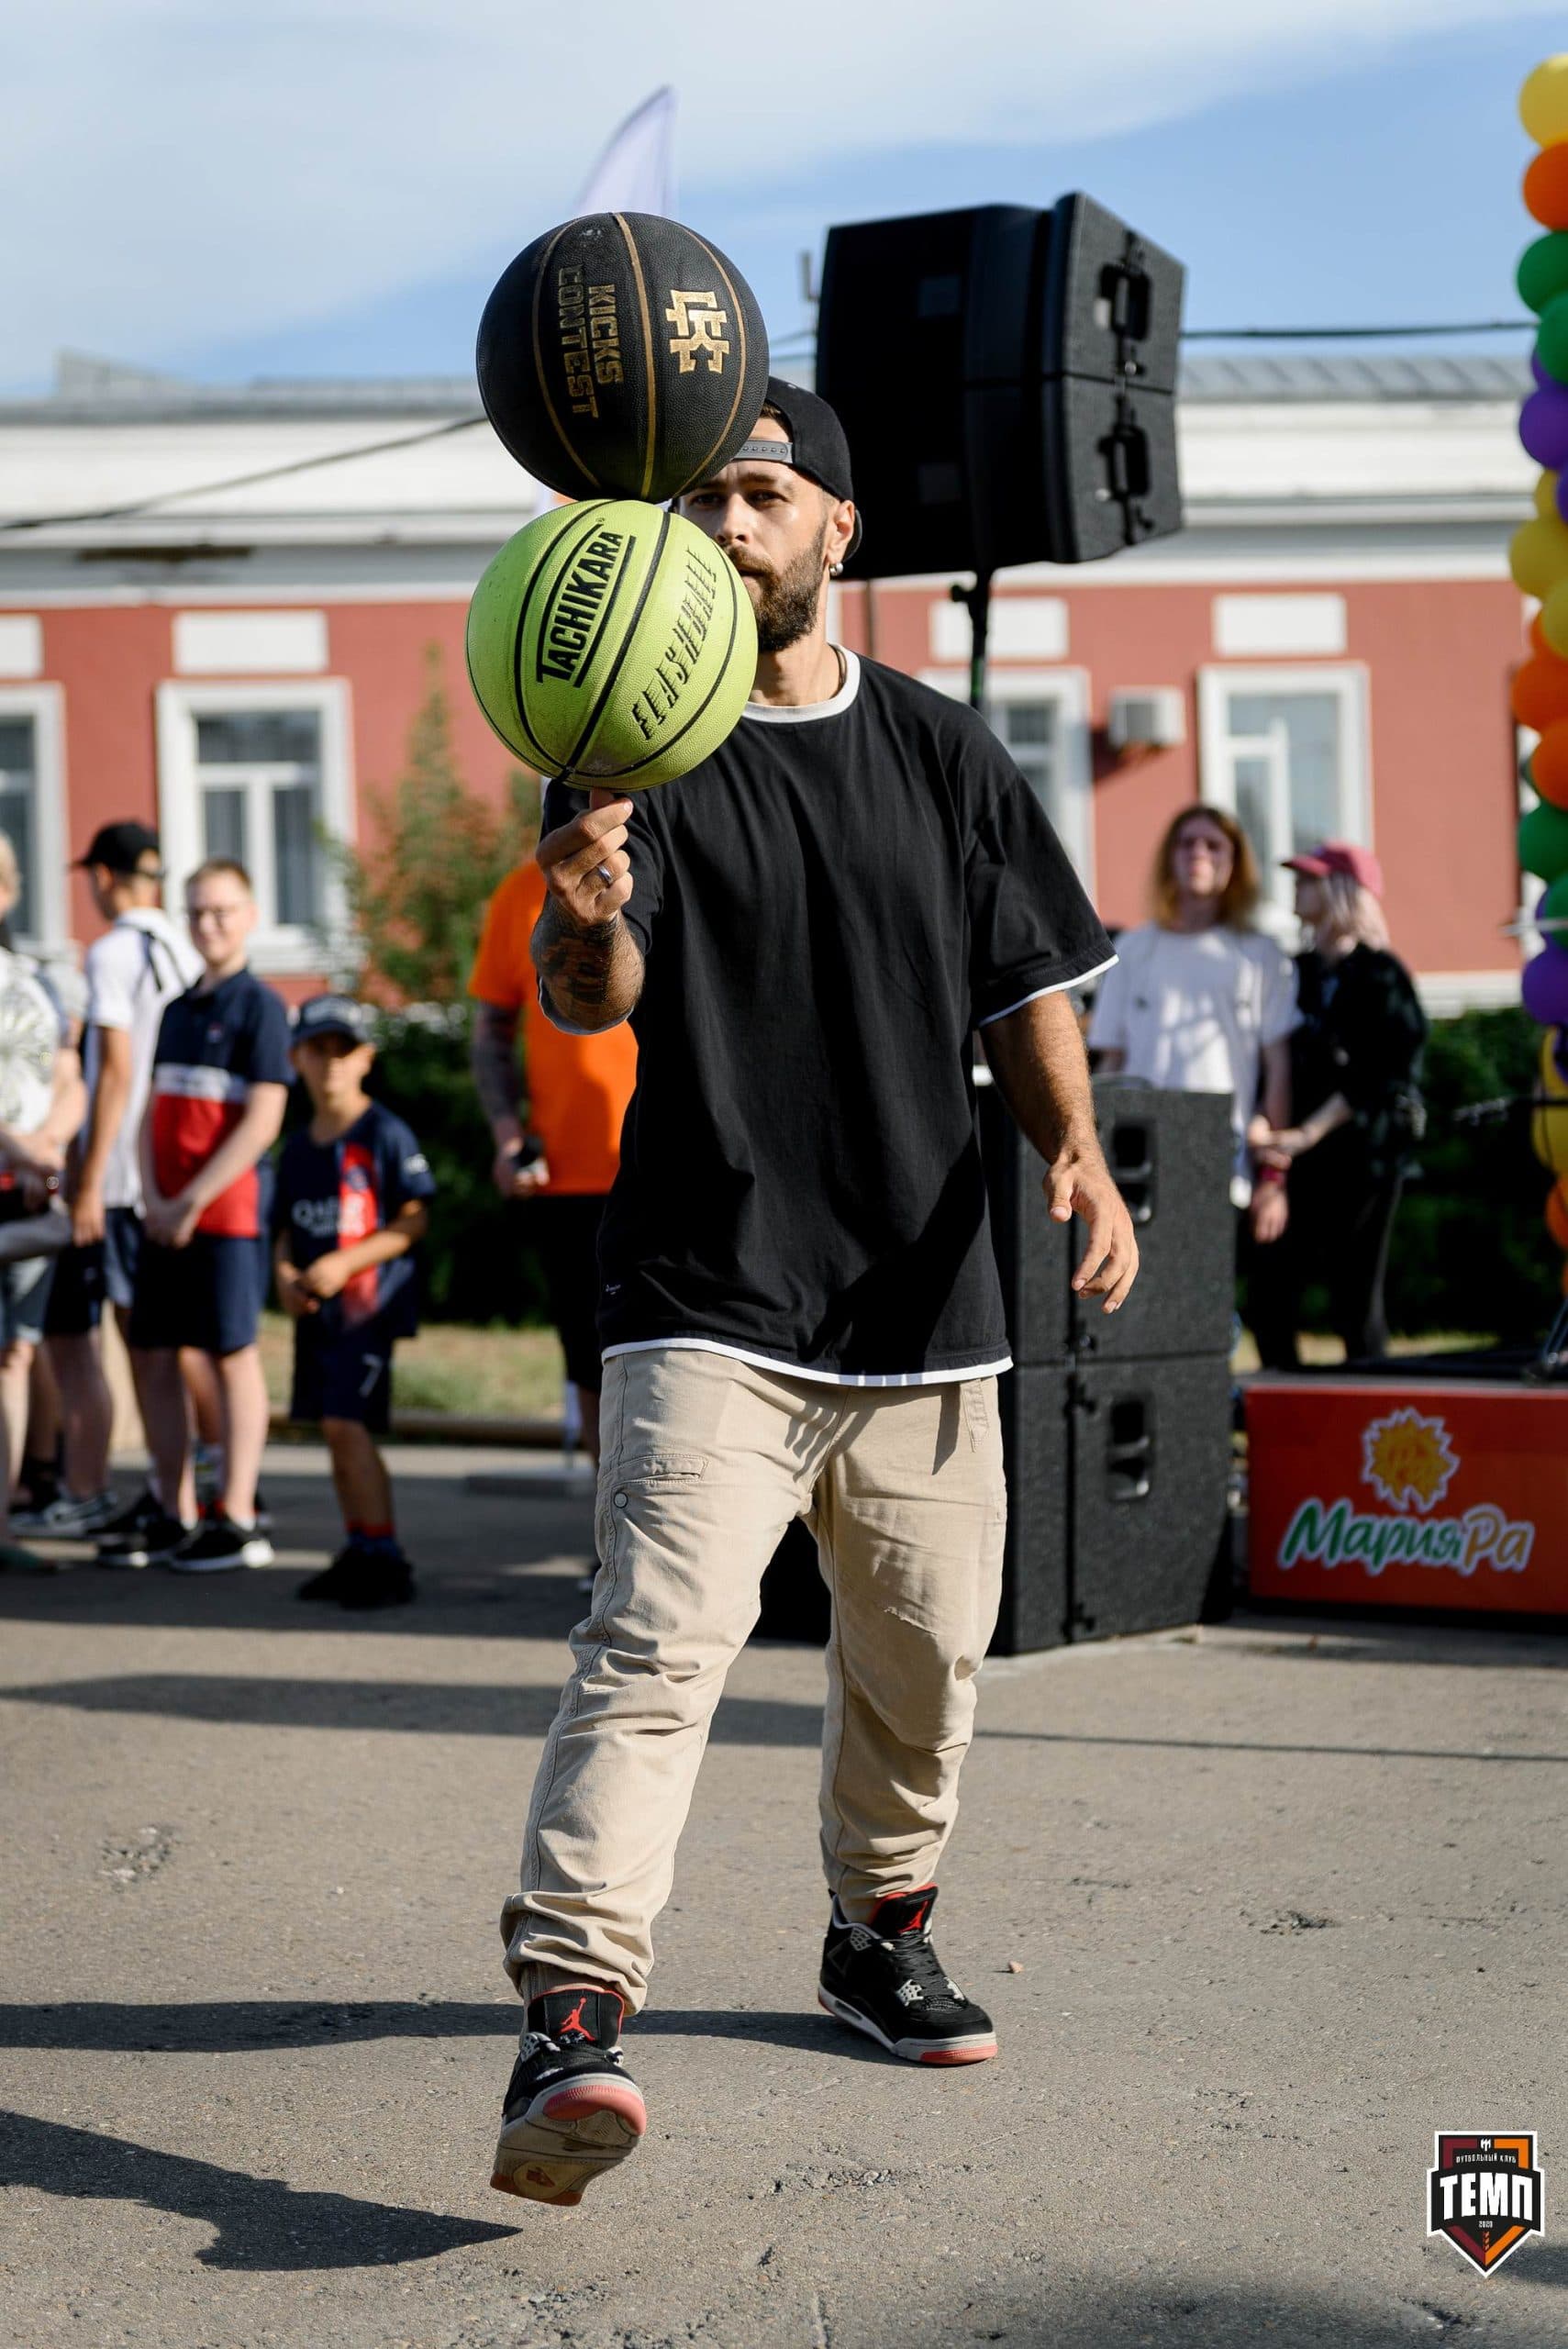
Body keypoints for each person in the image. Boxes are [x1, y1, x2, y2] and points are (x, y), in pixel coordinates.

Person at [488, 380, 1136, 2208]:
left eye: (758, 494)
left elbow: (1025, 984)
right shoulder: (629, 739)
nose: (721, 526)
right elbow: (587, 989)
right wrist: (587, 888)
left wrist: (1072, 1152)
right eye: (699, 501)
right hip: (706, 1291)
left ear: (837, 529)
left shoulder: (940, 752)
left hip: (926, 1298)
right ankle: (571, 2008)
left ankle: (875, 1933)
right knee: (652, 1648)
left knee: (922, 1664)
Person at [97, 858, 290, 1572]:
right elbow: (150, 1109)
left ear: (249, 916)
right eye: (197, 913)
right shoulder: (177, 1009)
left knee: (230, 1355)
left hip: (224, 1217)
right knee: (154, 1354)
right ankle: (171, 1505)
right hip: (164, 1216)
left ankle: (236, 1515)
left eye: (221, 911)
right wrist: (152, 1194)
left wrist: (191, 1201)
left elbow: (262, 1120)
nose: (208, 925)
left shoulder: (261, 1006)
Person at [18, 823, 203, 1542]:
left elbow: (116, 1069)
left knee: (125, 1341)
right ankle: (185, 1489)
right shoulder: (182, 946)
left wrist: (88, 1182)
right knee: (167, 1343)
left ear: (101, 877)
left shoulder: (114, 951)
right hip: (167, 1165)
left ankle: (132, 1495)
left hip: (124, 1175)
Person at [470, 855, 638, 1475]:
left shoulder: (656, 870)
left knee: (680, 1354)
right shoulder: (519, 892)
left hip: (666, 1166)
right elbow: (491, 1026)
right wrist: (509, 1135)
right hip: (566, 1176)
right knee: (590, 1363)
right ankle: (610, 1536)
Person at [272, 995, 435, 1609]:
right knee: (332, 1429)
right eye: (318, 1050)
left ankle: (385, 1555)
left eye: (344, 1050)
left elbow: (414, 1220)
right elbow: (284, 1226)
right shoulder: (298, 1148)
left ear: (366, 1058)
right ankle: (359, 1542)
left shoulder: (383, 1133)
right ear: (297, 1059)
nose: (331, 1063)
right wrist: (285, 1275)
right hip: (319, 1315)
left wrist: (345, 1262)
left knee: (348, 1424)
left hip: (369, 1309)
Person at [1247, 843, 1427, 1367]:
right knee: (1269, 1298)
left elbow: (1387, 1068)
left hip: (1362, 1159)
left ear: (1343, 890)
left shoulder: (1382, 974)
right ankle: (1291, 1418)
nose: (1297, 889)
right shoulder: (1292, 970)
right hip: (1296, 1159)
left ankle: (1371, 1422)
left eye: (1310, 880)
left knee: (1356, 1301)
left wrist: (1311, 1131)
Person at [1087, 805, 1297, 1249]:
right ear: (1170, 858)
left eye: (1213, 845)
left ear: (1235, 863)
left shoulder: (1261, 955)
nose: (1198, 854)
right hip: (1138, 1159)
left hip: (1224, 1161)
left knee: (1210, 1305)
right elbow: (1111, 1064)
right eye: (1186, 844)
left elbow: (1279, 1069)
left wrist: (1273, 1176)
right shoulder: (1133, 949)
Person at [0, 830, 85, 1571]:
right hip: (14, 1169)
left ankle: (3, 1526)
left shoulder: (34, 983)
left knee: (17, 1358)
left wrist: (51, 1141)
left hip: (24, 1200)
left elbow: (69, 1075)